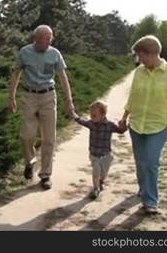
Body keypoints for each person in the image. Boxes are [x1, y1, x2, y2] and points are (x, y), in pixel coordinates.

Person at [119, 35, 167, 215]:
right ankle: (143, 189)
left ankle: (151, 200)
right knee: (140, 162)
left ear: (151, 53)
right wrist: (125, 117)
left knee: (151, 162)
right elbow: (133, 96)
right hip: (137, 123)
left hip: (159, 125)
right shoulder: (139, 71)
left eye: (141, 55)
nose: (139, 60)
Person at [8, 25, 75, 190]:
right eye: (47, 38)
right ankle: (29, 161)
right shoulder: (25, 52)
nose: (50, 41)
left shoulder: (55, 53)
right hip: (29, 96)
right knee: (26, 135)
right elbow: (16, 74)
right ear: (37, 38)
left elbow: (62, 77)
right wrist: (11, 96)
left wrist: (69, 100)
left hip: (48, 96)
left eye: (51, 38)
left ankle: (45, 175)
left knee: (49, 138)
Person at [71, 101, 127, 199]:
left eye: (94, 115)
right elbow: (81, 121)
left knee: (104, 172)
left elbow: (120, 131)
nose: (92, 117)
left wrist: (124, 126)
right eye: (91, 115)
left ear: (103, 114)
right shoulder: (91, 124)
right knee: (96, 171)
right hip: (94, 154)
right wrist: (74, 115)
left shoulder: (109, 125)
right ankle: (95, 188)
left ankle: (101, 181)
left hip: (106, 155)